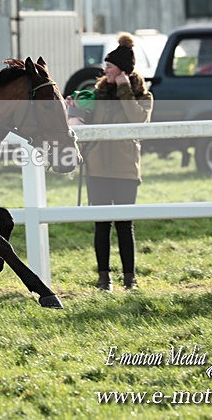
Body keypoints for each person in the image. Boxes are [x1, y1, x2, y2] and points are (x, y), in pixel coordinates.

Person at [66, 33, 153, 291]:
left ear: (123, 69)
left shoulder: (143, 97)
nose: (105, 69)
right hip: (97, 167)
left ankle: (130, 278)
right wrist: (74, 110)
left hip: (126, 168)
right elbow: (83, 123)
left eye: (110, 65)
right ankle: (104, 278)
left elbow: (138, 120)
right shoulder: (98, 93)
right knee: (101, 225)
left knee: (125, 225)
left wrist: (124, 88)